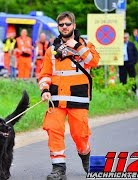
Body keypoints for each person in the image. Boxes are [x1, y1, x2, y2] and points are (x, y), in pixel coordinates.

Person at [38, 11, 100, 179]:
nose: (64, 27)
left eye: (67, 24)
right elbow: (45, 74)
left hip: (78, 98)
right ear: (58, 27)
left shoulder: (86, 45)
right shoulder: (51, 50)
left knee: (80, 134)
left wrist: (77, 46)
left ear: (74, 25)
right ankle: (58, 169)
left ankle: (86, 157)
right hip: (56, 99)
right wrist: (44, 90)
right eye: (61, 25)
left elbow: (94, 61)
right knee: (53, 130)